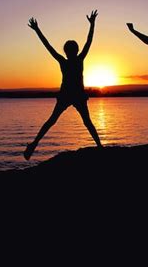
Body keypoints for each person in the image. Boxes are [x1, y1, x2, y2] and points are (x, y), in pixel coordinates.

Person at [24, 10, 103, 160]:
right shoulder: (76, 60)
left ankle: (33, 145)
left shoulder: (67, 60)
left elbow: (49, 46)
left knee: (58, 121)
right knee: (83, 122)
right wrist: (92, 24)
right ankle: (99, 146)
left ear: (67, 51)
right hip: (71, 95)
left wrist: (37, 30)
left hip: (72, 95)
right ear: (73, 51)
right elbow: (88, 41)